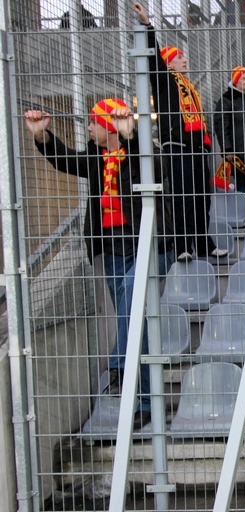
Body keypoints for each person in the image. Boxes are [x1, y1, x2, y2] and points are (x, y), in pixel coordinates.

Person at [24, 100, 173, 429]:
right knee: (134, 323)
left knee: (131, 303)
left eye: (93, 123)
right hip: (113, 249)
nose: (89, 128)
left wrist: (131, 136)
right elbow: (65, 160)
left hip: (150, 246)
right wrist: (42, 135)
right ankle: (147, 401)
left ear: (110, 126)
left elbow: (157, 167)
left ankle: (120, 367)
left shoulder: (139, 151)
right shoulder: (96, 157)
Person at [133, 3, 226, 263]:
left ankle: (204, 244)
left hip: (197, 149)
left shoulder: (189, 87)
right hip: (177, 148)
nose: (185, 60)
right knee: (183, 198)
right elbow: (154, 59)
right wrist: (148, 25)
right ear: (169, 62)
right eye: (180, 57)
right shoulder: (165, 81)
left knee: (202, 198)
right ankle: (183, 246)